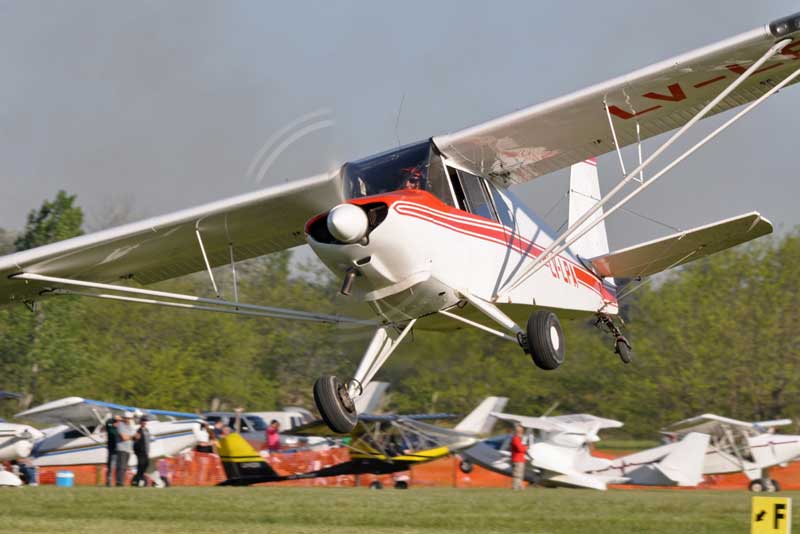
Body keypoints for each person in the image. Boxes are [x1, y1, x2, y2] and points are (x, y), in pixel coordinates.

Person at [115, 412, 135, 486]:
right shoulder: (121, 425)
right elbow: (124, 437)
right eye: (127, 418)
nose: (128, 420)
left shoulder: (130, 426)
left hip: (128, 449)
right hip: (121, 448)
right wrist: (132, 437)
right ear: (124, 418)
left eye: (129, 418)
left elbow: (132, 436)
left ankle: (121, 482)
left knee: (124, 467)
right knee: (121, 466)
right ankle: (119, 482)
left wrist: (132, 437)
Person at [131, 415, 151, 487]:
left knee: (146, 464)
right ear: (140, 422)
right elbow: (134, 439)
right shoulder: (138, 430)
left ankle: (137, 479)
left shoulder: (147, 430)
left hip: (146, 451)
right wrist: (135, 438)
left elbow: (147, 441)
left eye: (145, 421)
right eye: (143, 421)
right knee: (141, 465)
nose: (144, 422)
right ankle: (137, 481)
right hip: (140, 451)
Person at [510, 423, 528, 491]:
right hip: (517, 460)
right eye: (520, 432)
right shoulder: (516, 439)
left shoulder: (518, 439)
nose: (521, 433)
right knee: (517, 475)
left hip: (519, 459)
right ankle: (515, 488)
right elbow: (520, 449)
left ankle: (521, 488)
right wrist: (526, 447)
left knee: (520, 475)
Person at [104, 414, 121, 486]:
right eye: (117, 421)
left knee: (118, 466)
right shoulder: (110, 426)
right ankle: (109, 481)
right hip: (112, 449)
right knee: (111, 465)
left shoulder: (118, 428)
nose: (118, 423)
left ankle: (117, 481)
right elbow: (107, 423)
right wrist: (114, 420)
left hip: (119, 449)